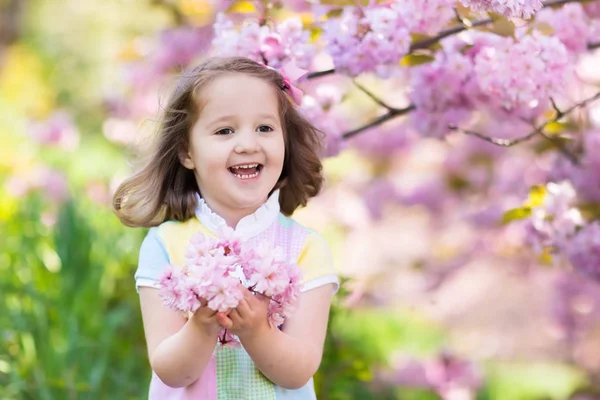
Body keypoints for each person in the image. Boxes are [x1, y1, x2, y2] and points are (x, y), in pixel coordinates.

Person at [112, 56, 339, 399]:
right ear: (187, 151)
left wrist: (256, 331)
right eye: (224, 131)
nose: (248, 143)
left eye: (265, 128)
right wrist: (201, 327)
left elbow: (300, 371)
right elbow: (171, 372)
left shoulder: (306, 248)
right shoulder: (165, 244)